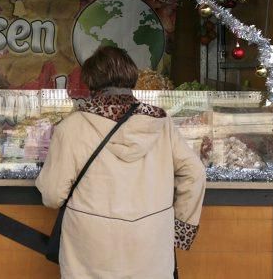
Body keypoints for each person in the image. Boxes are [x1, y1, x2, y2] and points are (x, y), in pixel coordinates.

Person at [36, 46, 205, 278]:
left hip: (91, 247)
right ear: (131, 77)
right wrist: (180, 228)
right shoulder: (160, 123)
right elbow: (195, 172)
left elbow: (53, 196)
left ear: (91, 81)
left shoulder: (71, 128)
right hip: (150, 242)